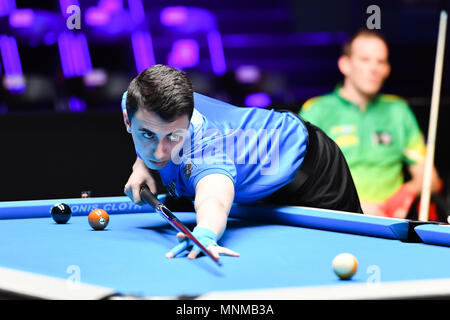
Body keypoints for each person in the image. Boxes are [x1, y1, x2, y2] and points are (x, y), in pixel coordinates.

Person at [122, 64, 362, 261]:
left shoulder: (208, 152)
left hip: (314, 169)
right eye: (148, 135)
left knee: (354, 248)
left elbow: (213, 198)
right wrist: (141, 165)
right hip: (259, 175)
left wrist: (205, 233)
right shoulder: (139, 100)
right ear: (128, 120)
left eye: (174, 136)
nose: (161, 152)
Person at [299, 30, 443, 219]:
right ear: (345, 65)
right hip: (335, 220)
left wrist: (405, 194)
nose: (373, 68)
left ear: (387, 69)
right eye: (365, 59)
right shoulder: (316, 110)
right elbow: (298, 179)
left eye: (380, 61)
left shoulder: (398, 111)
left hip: (391, 223)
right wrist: (352, 206)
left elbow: (431, 180)